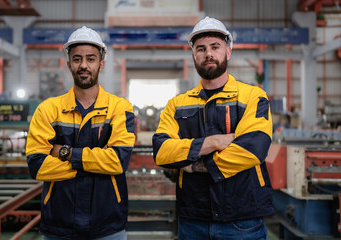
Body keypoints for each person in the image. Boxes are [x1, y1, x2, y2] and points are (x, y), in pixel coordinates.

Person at [152, 17, 274, 240]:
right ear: (194, 57)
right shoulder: (177, 105)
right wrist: (214, 142)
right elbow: (161, 151)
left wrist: (196, 166)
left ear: (228, 52)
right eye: (201, 49)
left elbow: (252, 149)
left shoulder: (253, 97)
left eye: (215, 47)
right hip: (192, 219)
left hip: (243, 219)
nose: (208, 53)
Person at [26, 26, 135, 240]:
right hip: (59, 224)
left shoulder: (120, 108)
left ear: (101, 64)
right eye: (77, 59)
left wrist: (65, 153)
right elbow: (37, 165)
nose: (83, 65)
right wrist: (96, 163)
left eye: (90, 59)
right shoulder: (48, 109)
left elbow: (118, 162)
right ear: (69, 65)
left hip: (107, 225)